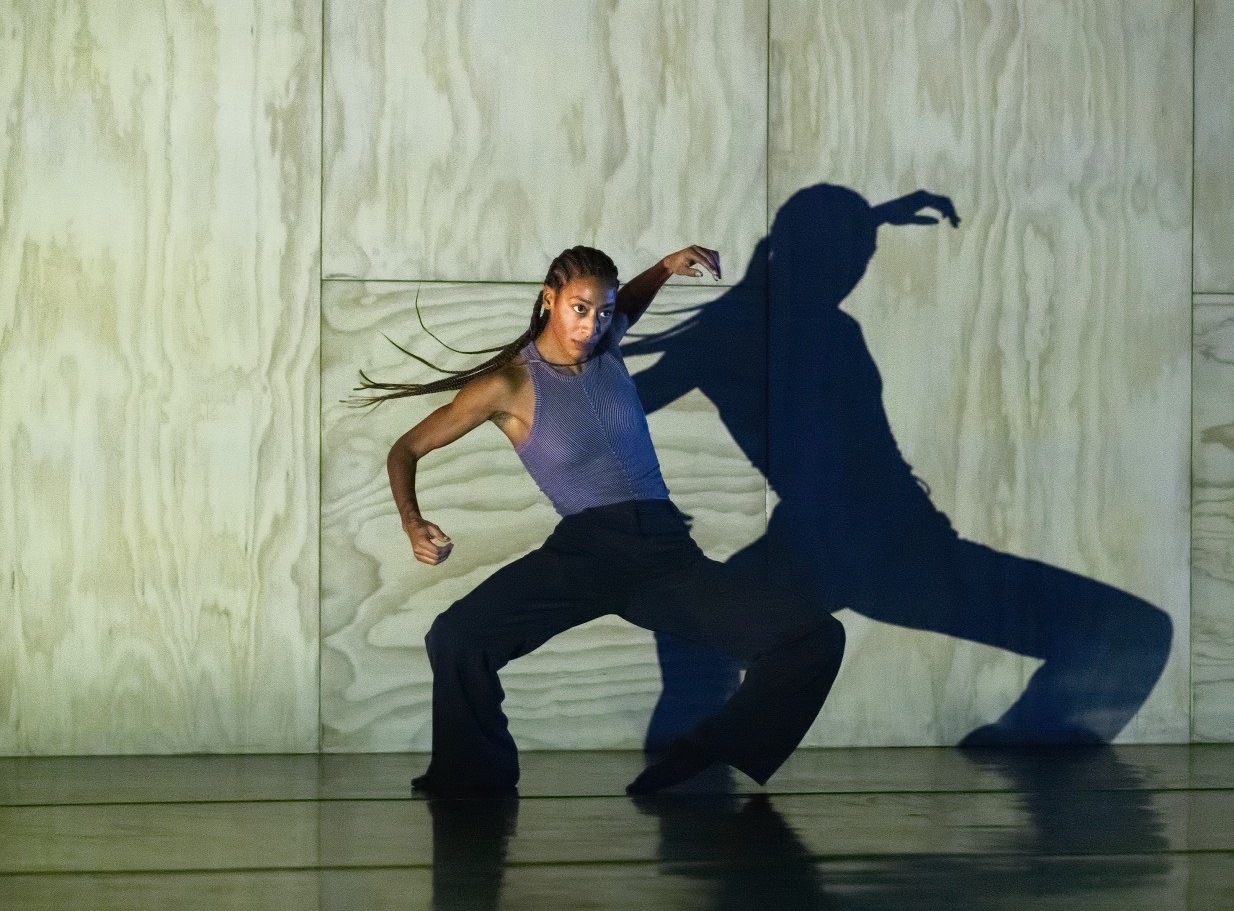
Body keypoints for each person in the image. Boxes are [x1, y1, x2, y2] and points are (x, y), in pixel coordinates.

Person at [628, 185, 1174, 751]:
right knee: (1133, 630)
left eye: (860, 257)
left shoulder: (743, 325)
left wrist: (873, 216)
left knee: (694, 637)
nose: (853, 273)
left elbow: (630, 402)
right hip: (891, 549)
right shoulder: (778, 329)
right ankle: (1030, 749)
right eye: (845, 257)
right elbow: (623, 407)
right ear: (802, 254)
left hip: (825, 547)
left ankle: (686, 759)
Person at [351, 245, 845, 797]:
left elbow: (627, 301)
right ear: (550, 300)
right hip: (587, 552)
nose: (591, 326)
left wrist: (665, 267)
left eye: (603, 313)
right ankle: (474, 776)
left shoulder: (607, 344)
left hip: (665, 556)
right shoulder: (508, 386)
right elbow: (406, 448)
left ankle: (709, 750)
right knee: (457, 637)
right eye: (579, 309)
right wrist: (412, 522)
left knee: (814, 637)